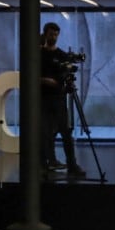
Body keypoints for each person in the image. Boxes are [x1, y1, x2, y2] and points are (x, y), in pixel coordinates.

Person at [39, 23, 86, 177]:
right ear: (45, 34)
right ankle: (44, 164)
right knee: (45, 133)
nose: (53, 37)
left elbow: (65, 74)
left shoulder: (62, 55)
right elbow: (32, 75)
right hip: (44, 100)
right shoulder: (39, 54)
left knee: (66, 133)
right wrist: (46, 81)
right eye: (51, 34)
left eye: (56, 35)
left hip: (59, 99)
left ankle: (72, 164)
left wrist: (63, 82)